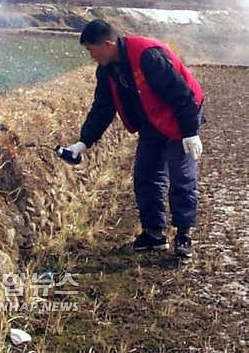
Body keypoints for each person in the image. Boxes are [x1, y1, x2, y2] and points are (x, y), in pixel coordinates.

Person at [63, 19, 205, 257]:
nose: (91, 56)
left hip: (181, 117)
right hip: (151, 121)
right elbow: (102, 108)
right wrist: (83, 142)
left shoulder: (148, 56)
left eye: (91, 50)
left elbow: (181, 94)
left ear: (107, 44)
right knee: (146, 175)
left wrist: (191, 132)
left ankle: (184, 235)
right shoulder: (107, 70)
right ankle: (154, 234)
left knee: (181, 177)